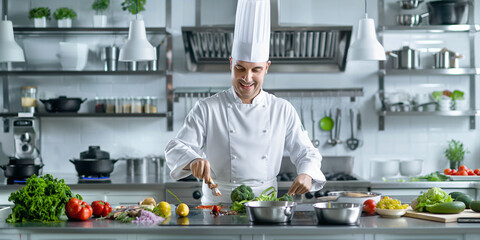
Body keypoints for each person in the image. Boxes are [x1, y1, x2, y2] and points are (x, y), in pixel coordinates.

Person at [165, 0, 325, 205]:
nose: (247, 78)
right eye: (240, 68)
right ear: (231, 64)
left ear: (266, 68)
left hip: (265, 205)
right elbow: (175, 147)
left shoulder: (282, 109)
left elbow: (307, 152)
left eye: (255, 70)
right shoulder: (207, 108)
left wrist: (307, 174)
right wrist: (192, 160)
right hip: (217, 204)